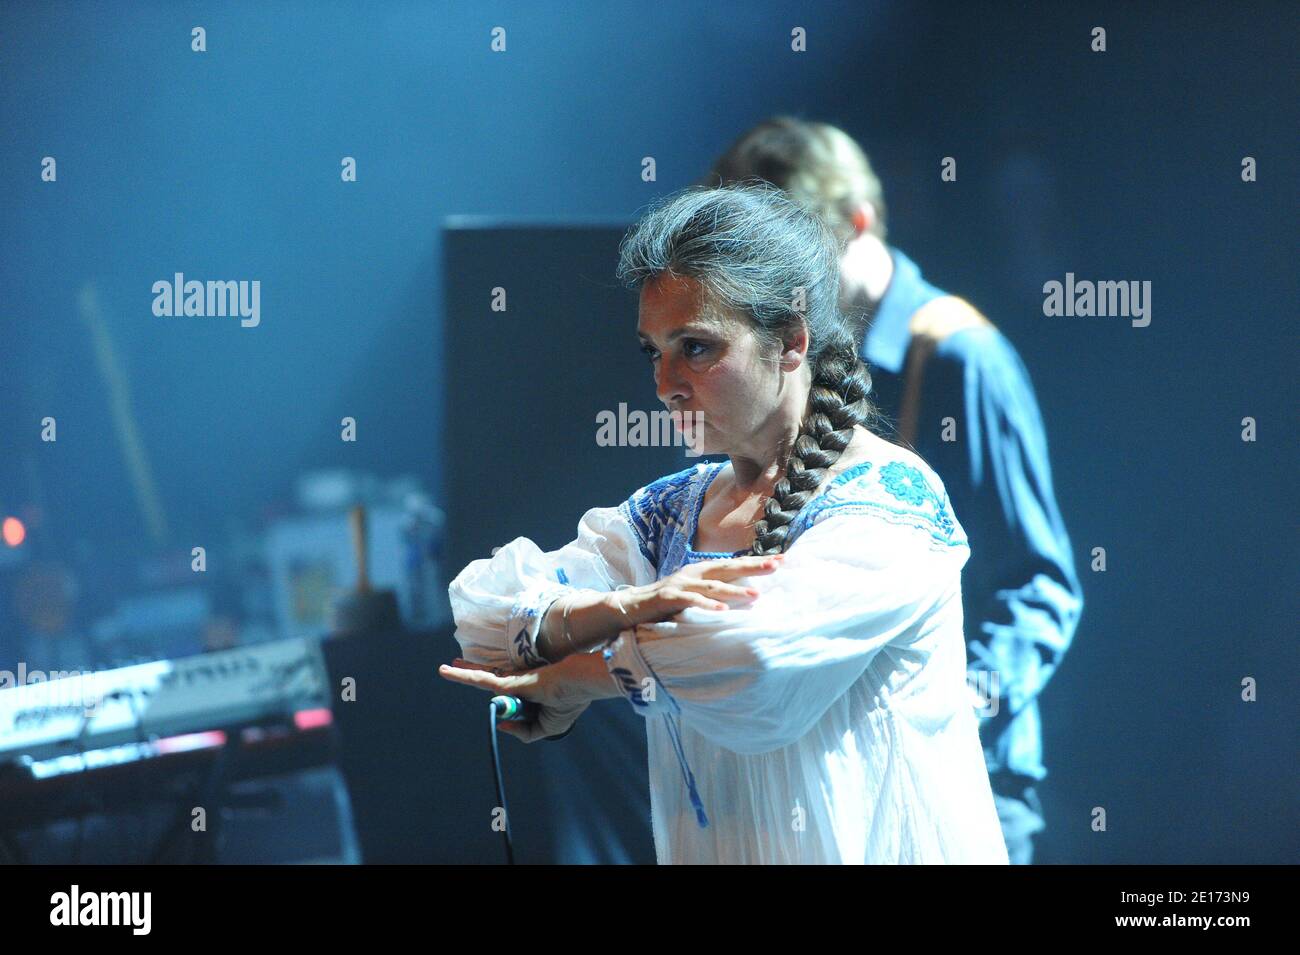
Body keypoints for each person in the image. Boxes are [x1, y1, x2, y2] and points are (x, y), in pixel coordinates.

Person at [441, 183, 1009, 864]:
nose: (664, 383)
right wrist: (625, 604)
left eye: (697, 348)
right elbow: (482, 611)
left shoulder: (889, 500)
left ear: (791, 341)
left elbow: (752, 659)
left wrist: (575, 675)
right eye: (654, 350)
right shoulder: (671, 510)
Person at [707, 117, 1084, 863]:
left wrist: (955, 703)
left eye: (788, 256)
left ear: (857, 221)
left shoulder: (958, 356)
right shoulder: (795, 363)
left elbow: (1040, 582)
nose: (773, 288)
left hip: (960, 784)